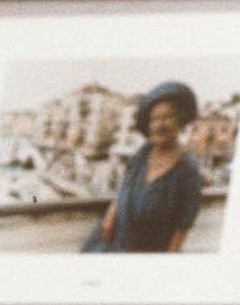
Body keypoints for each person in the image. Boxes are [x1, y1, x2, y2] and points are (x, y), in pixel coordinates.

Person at [83, 81, 205, 254]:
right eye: (155, 119)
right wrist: (110, 215)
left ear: (180, 121)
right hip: (112, 242)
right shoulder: (142, 154)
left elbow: (181, 228)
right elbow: (125, 186)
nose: (160, 125)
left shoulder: (188, 172)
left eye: (168, 117)